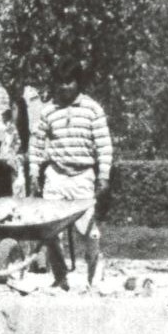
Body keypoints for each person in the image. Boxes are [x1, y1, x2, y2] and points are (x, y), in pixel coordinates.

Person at [29, 79, 113, 290]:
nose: (64, 86)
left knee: (87, 231)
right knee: (50, 230)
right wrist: (33, 171)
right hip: (55, 175)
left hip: (82, 175)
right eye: (61, 82)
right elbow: (37, 143)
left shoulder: (92, 109)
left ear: (78, 83)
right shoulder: (49, 111)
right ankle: (60, 277)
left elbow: (104, 145)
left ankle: (94, 277)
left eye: (70, 82)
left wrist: (103, 175)